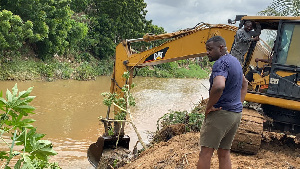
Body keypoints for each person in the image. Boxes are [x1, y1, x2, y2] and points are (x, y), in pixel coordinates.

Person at [197, 36, 248, 169]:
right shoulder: (235, 61)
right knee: (224, 152)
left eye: (210, 49)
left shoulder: (221, 63)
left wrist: (209, 107)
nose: (207, 52)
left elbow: (219, 86)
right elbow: (245, 84)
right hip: (235, 114)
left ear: (221, 47)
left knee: (205, 153)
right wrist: (238, 104)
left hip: (221, 112)